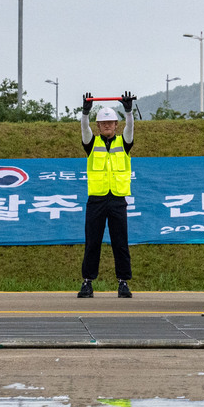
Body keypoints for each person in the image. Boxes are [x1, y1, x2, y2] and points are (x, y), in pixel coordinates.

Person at [78, 91, 136, 298]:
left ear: (116, 124)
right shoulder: (92, 143)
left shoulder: (124, 142)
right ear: (98, 126)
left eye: (111, 122)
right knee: (92, 241)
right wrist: (85, 113)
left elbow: (130, 128)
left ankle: (123, 282)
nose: (107, 125)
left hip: (118, 199)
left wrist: (128, 111)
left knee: (120, 242)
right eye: (103, 123)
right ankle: (87, 282)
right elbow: (84, 129)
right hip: (97, 199)